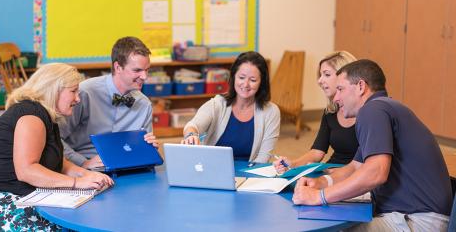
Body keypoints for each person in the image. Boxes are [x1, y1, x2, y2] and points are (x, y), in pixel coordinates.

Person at [292, 59, 452, 231]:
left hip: (420, 220)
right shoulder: (383, 108)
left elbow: (376, 173)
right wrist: (323, 182)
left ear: (361, 86)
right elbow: (355, 167)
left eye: (340, 89)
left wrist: (319, 197)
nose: (336, 97)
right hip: (420, 215)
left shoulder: (372, 111)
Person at [0, 63, 114, 231]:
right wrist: (77, 183)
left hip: (19, 196)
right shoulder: (31, 115)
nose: (78, 98)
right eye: (73, 91)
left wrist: (88, 175)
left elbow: (60, 163)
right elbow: (27, 170)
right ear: (53, 90)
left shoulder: (47, 117)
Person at [60, 36, 159, 169]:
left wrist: (148, 147)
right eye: (137, 70)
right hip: (82, 168)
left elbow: (140, 148)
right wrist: (82, 163)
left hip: (126, 167)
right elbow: (56, 139)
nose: (144, 77)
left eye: (147, 70)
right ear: (118, 67)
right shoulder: (84, 93)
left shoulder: (144, 104)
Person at [181, 51, 280, 163]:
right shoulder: (217, 104)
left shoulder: (272, 111)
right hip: (212, 167)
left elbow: (263, 158)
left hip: (249, 173)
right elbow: (193, 125)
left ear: (261, 82)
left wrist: (247, 179)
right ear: (233, 77)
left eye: (253, 80)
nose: (246, 84)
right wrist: (191, 134)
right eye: (241, 77)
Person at [273, 51, 359, 173]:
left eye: (326, 75)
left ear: (344, 76)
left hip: (353, 176)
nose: (319, 80)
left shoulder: (367, 113)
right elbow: (317, 151)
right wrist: (292, 164)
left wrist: (335, 174)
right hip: (330, 171)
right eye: (320, 75)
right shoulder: (330, 111)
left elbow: (370, 165)